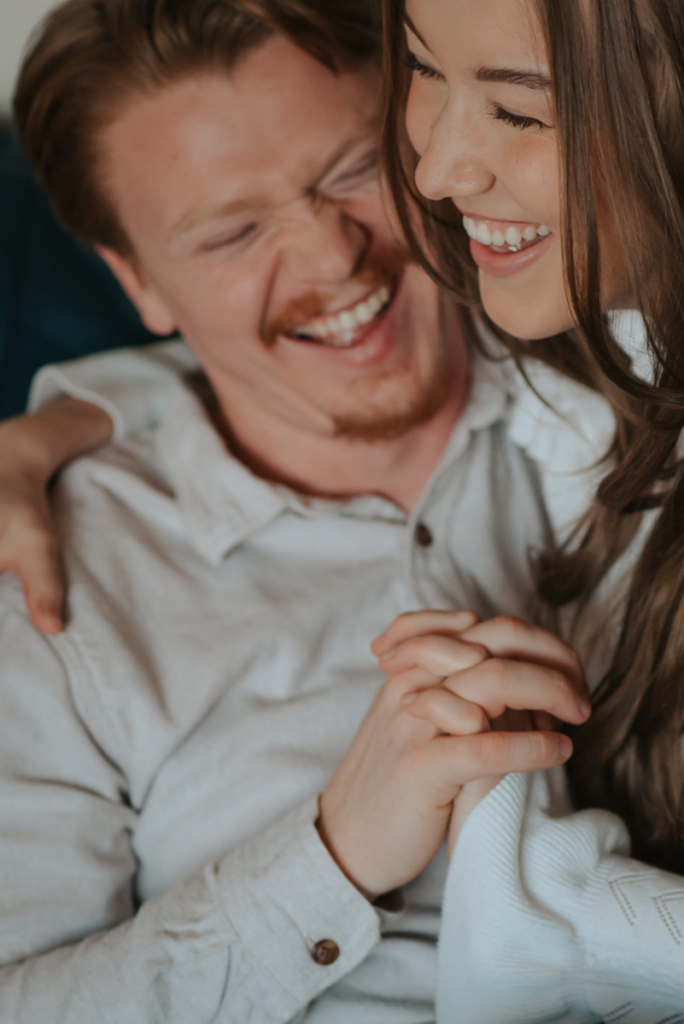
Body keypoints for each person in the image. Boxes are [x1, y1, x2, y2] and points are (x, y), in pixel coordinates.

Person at [0, 1, 588, 1020]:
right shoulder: (49, 593)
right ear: (137, 281)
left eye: (354, 170)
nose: (330, 256)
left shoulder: (604, 369)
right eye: (234, 233)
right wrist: (333, 857)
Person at [378, 0, 684, 1019]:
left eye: (519, 113)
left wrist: (539, 893)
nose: (437, 170)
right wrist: (64, 420)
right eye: (424, 68)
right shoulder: (574, 345)